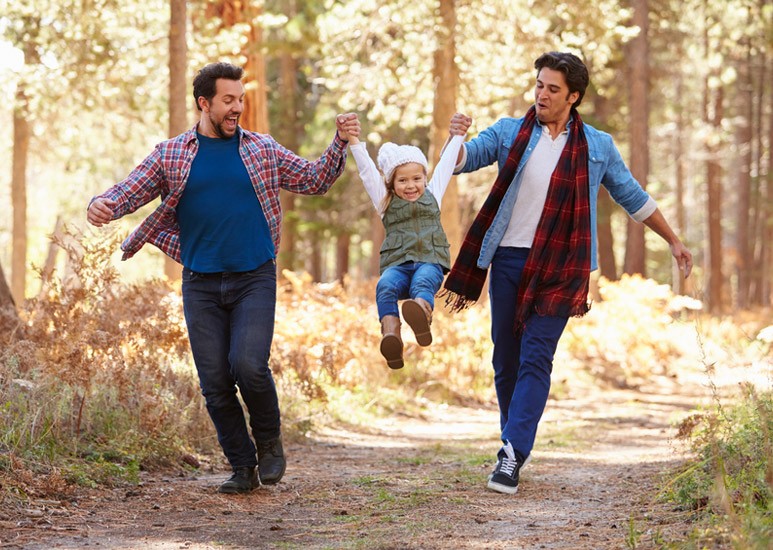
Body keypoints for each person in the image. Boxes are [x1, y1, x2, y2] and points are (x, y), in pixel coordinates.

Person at [86, 61, 360, 494]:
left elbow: (314, 179)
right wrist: (101, 204)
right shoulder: (172, 154)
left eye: (241, 99)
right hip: (201, 282)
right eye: (228, 100)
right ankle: (242, 466)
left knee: (249, 366)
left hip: (254, 276)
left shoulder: (262, 149)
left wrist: (339, 143)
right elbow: (130, 189)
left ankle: (269, 443)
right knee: (214, 382)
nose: (237, 108)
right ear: (204, 103)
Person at [442, 52, 692, 495]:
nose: (542, 94)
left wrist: (672, 240)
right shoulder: (508, 132)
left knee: (537, 357)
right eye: (539, 85)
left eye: (553, 89)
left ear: (573, 97)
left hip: (563, 264)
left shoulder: (597, 146)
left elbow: (632, 196)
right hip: (510, 259)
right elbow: (464, 160)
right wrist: (454, 140)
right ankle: (511, 442)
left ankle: (512, 456)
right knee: (506, 358)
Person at [343, 115, 468, 369]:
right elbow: (368, 172)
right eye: (402, 180)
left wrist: (459, 134)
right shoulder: (385, 202)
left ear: (424, 178)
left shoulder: (433, 193)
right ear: (391, 183)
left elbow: (445, 165)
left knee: (423, 281)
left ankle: (421, 312)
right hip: (398, 266)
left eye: (416, 179)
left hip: (429, 262)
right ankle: (391, 335)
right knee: (385, 286)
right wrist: (353, 139)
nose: (411, 186)